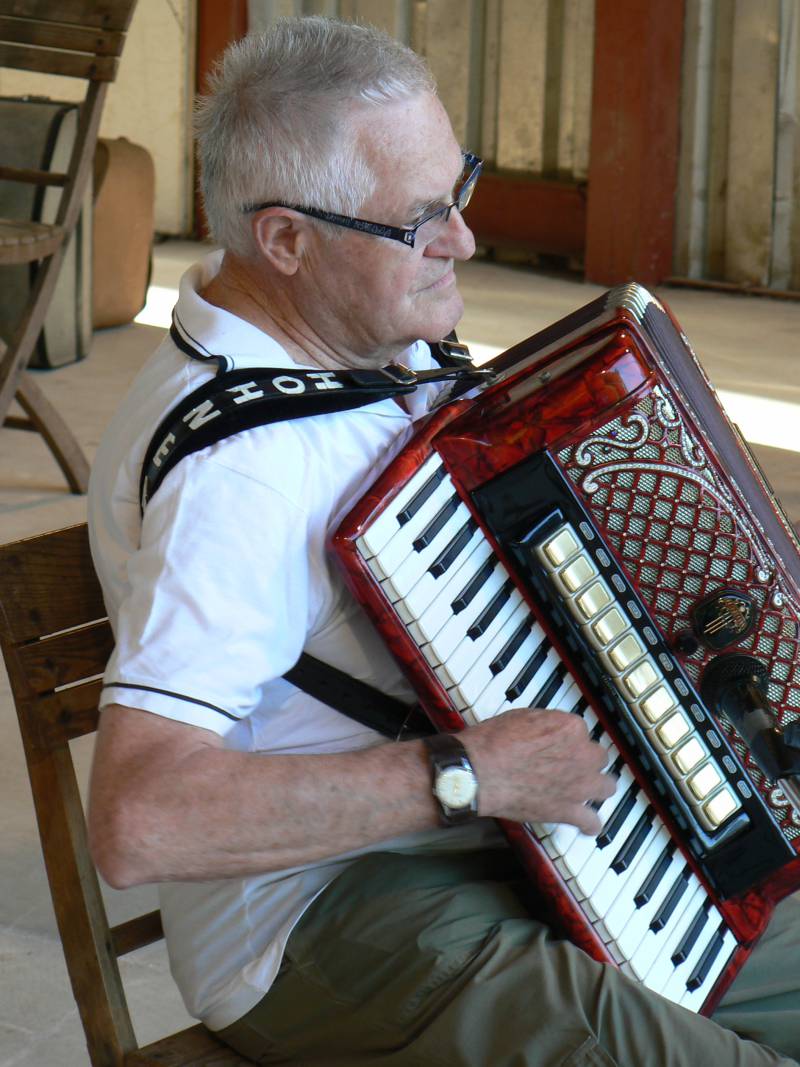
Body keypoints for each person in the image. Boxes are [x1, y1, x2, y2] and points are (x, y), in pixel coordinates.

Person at [87, 16, 800, 1066]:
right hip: (330, 914)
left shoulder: (365, 345)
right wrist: (466, 775)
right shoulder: (238, 475)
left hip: (524, 835)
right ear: (285, 240)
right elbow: (141, 820)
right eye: (420, 219)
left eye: (457, 188)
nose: (462, 240)